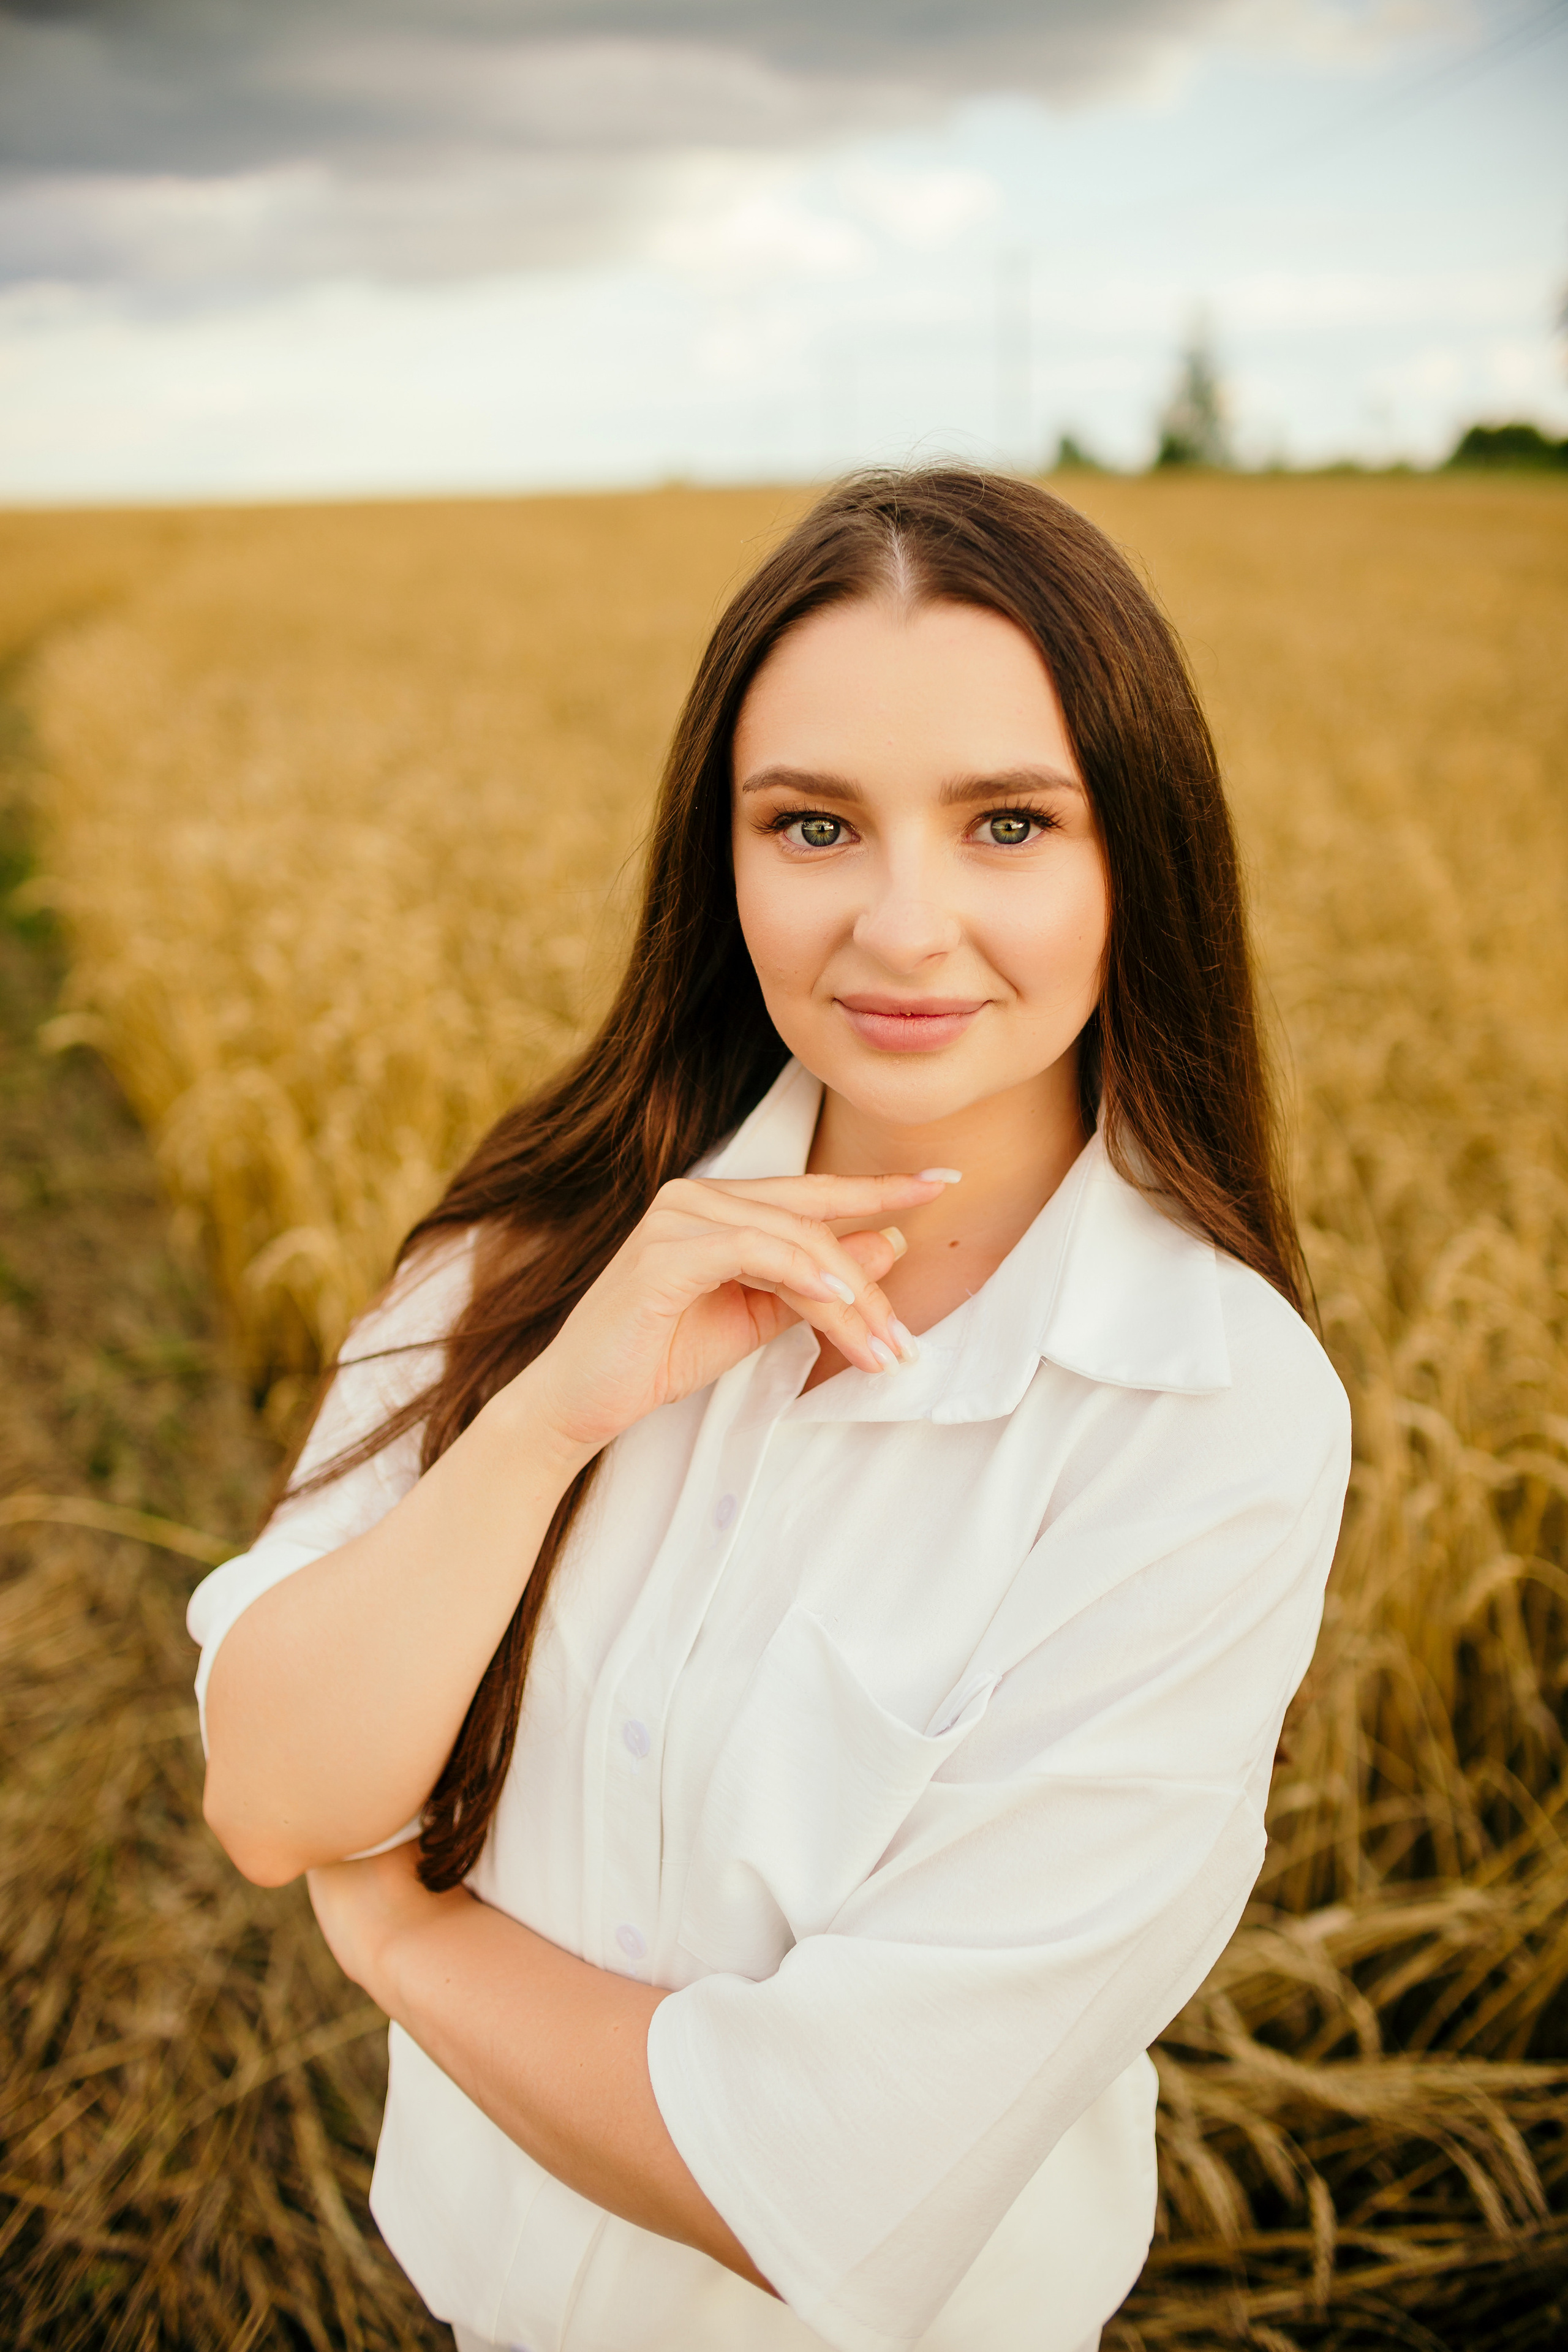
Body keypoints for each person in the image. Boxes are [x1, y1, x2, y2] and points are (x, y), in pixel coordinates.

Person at [189, 467, 1351, 2352]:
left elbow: (815, 2178)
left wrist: (405, 1938)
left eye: (1005, 823)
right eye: (813, 823)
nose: (903, 926)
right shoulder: (534, 1240)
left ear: (1137, 848)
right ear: (719, 857)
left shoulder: (1208, 1416)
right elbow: (273, 1793)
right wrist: (559, 1408)